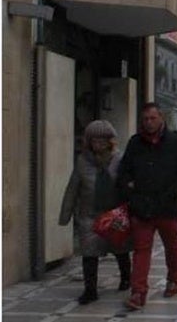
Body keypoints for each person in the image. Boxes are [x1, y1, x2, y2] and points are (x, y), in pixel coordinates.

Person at [117, 103, 177, 310]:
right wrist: (130, 190)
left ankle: (174, 279)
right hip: (141, 207)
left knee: (172, 245)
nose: (149, 123)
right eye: (145, 119)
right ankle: (138, 292)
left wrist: (171, 191)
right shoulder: (135, 143)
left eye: (152, 118)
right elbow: (124, 172)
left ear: (161, 118)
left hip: (167, 206)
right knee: (141, 249)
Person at [59, 120, 131, 305]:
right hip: (89, 214)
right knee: (89, 252)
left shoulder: (120, 159)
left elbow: (128, 185)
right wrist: (65, 215)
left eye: (102, 140)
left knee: (120, 249)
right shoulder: (82, 161)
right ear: (88, 142)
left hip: (114, 214)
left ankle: (126, 278)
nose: (98, 144)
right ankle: (90, 290)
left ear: (110, 141)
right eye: (94, 140)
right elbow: (73, 188)